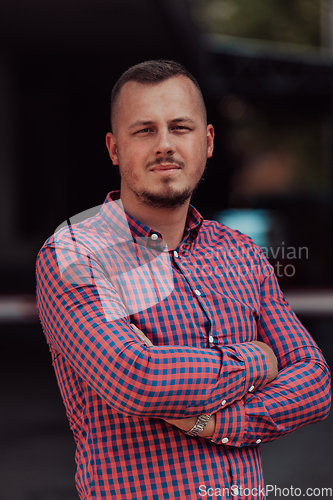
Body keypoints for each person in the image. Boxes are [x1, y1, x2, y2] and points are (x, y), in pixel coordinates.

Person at [36, 60, 331, 500]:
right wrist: (258, 361)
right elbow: (137, 378)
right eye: (144, 130)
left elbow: (315, 382)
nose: (165, 145)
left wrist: (214, 423)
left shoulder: (240, 252)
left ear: (207, 141)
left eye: (180, 127)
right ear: (114, 148)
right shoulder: (75, 253)